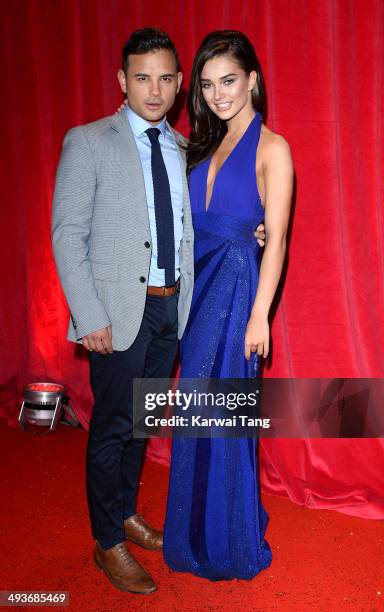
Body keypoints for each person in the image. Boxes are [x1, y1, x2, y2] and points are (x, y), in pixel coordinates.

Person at [51, 28, 194, 595]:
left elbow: (188, 230)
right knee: (111, 429)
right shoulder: (88, 141)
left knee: (142, 424)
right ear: (122, 81)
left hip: (169, 311)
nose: (153, 90)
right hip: (116, 314)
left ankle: (128, 513)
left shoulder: (184, 148)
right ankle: (107, 541)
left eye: (164, 78)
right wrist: (89, 316)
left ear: (180, 85)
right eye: (142, 77)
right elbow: (67, 233)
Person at [163, 30, 294, 580]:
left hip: (239, 296)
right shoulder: (197, 145)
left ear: (252, 81)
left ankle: (230, 538)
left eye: (230, 81)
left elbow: (279, 238)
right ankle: (192, 531)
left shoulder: (274, 148)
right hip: (195, 295)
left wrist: (261, 313)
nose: (219, 94)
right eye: (211, 85)